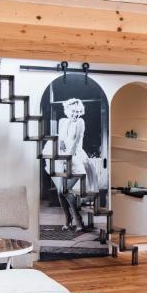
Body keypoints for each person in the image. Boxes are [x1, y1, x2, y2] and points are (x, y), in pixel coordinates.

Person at [53, 98, 91, 230]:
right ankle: (68, 219)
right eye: (74, 111)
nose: (76, 114)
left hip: (76, 160)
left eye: (78, 111)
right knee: (60, 192)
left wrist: (67, 158)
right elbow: (61, 141)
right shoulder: (62, 122)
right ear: (67, 111)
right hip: (64, 159)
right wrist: (61, 152)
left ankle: (78, 220)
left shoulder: (80, 122)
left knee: (64, 190)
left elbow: (75, 143)